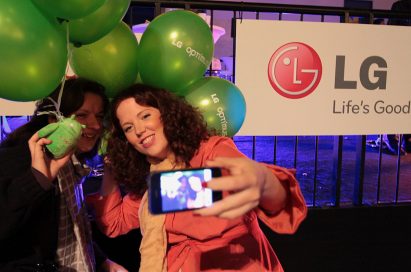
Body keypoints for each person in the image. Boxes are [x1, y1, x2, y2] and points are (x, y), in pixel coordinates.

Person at [88, 83, 307, 271]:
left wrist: (266, 183)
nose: (139, 130)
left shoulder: (211, 150)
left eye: (145, 116)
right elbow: (114, 223)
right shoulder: (150, 178)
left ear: (166, 114)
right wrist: (110, 169)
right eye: (128, 128)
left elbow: (278, 201)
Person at [0, 78, 127, 271]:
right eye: (82, 115)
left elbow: (71, 228)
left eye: (99, 116)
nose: (95, 125)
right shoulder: (15, 158)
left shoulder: (71, 161)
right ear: (53, 119)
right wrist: (37, 179)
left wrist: (103, 261)